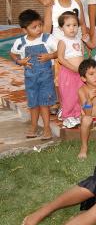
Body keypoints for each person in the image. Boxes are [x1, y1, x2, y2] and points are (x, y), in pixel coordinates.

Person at [10, 9, 58, 140]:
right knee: (33, 103)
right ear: (25, 30)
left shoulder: (47, 39)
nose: (39, 29)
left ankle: (47, 128)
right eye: (34, 27)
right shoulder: (21, 42)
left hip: (46, 78)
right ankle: (34, 126)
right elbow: (12, 53)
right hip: (30, 79)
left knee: (44, 103)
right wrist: (19, 61)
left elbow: (60, 50)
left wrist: (50, 56)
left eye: (40, 25)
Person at [57, 11, 86, 128]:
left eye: (75, 25)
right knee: (68, 95)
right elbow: (60, 58)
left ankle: (77, 113)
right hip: (68, 73)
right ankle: (67, 116)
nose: (72, 28)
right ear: (61, 28)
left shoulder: (79, 40)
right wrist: (73, 68)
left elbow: (82, 55)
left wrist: (83, 69)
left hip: (79, 74)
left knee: (79, 94)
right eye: (68, 25)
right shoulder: (63, 41)